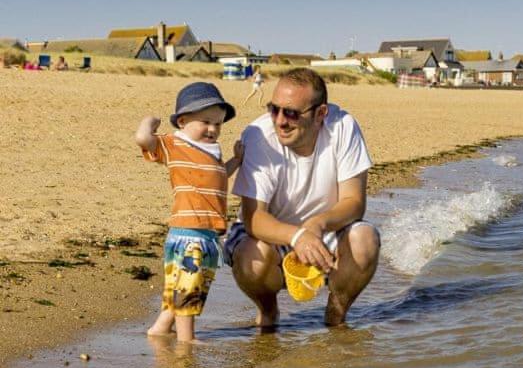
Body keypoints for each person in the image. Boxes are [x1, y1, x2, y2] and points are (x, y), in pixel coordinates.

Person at [224, 67, 380, 328]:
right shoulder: (258, 135)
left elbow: (354, 203)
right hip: (270, 235)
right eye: (274, 109)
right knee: (252, 254)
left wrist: (317, 224)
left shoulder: (343, 126)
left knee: (365, 240)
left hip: (326, 232)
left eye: (292, 113)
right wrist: (297, 236)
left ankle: (336, 315)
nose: (280, 121)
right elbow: (254, 217)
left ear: (321, 114)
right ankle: (268, 311)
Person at [135, 82, 243, 343]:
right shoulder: (174, 143)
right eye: (206, 122)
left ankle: (161, 329)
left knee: (185, 283)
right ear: (182, 121)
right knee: (189, 286)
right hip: (188, 232)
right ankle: (187, 339)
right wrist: (150, 122)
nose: (212, 129)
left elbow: (218, 178)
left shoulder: (211, 152)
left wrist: (236, 161)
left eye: (218, 124)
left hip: (206, 233)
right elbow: (143, 139)